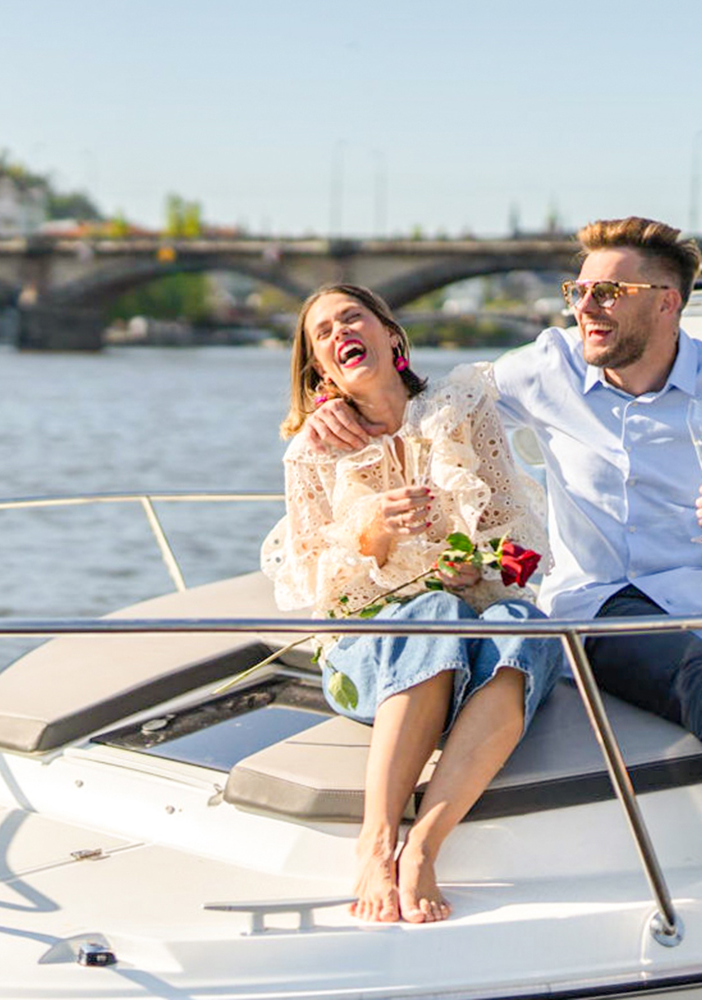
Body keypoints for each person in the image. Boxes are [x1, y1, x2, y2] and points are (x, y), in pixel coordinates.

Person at [305, 218, 702, 887]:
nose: (585, 307)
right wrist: (332, 401)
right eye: (577, 291)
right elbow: (431, 402)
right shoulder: (547, 368)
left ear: (665, 301)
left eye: (608, 293)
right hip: (601, 606)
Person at [262, 284, 562, 923]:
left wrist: (476, 569)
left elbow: (523, 549)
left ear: (391, 336)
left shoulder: (461, 409)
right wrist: (371, 537)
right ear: (319, 366)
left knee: (526, 622)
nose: (340, 331)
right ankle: (376, 841)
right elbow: (313, 586)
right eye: (323, 332)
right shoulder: (312, 451)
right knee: (434, 615)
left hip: (474, 634)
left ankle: (424, 843)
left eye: (353, 317)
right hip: (366, 659)